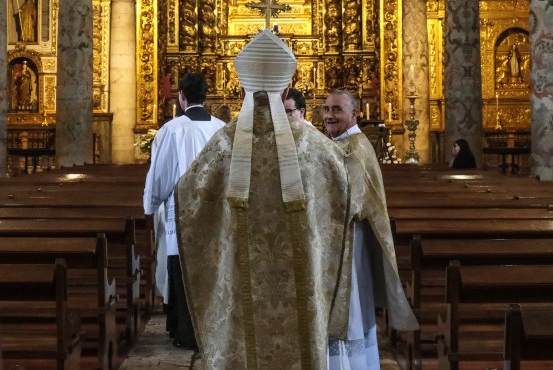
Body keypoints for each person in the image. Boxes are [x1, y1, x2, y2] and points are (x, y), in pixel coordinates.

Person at [176, 30, 358, 369]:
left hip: (240, 289)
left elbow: (189, 199)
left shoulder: (222, 147)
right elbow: (342, 199)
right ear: (286, 90)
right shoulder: (318, 148)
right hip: (300, 290)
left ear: (242, 89)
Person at [322, 89, 418, 370]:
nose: (329, 115)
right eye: (326, 109)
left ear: (354, 114)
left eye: (337, 109)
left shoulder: (356, 148)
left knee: (351, 310)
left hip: (349, 243)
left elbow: (351, 202)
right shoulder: (338, 143)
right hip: (337, 242)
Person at [141, 72, 224, 350]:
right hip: (215, 216)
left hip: (181, 215)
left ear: (182, 97)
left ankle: (185, 332)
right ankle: (212, 331)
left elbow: (161, 175)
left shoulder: (172, 130)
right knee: (211, 269)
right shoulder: (222, 129)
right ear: (206, 96)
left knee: (182, 268)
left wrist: (151, 204)